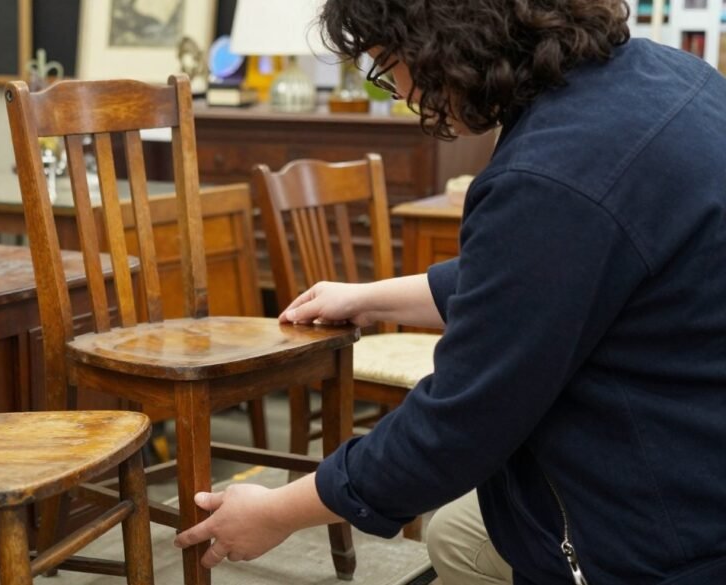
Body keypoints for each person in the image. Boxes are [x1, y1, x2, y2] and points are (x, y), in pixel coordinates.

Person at [174, 0, 726, 583]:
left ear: (441, 43)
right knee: (456, 533)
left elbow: (460, 423)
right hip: (694, 439)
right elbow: (542, 281)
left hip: (669, 526)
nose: (396, 89)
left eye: (387, 65)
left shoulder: (552, 177)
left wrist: (278, 512)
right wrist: (369, 296)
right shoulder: (666, 77)